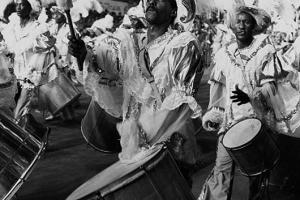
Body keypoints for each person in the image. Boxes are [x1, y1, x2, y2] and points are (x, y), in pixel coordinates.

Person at [69, 0, 203, 181]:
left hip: (169, 139)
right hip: (133, 135)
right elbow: (103, 65)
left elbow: (181, 101)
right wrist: (82, 53)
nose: (152, 2)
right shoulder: (129, 42)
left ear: (173, 11)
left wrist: (151, 141)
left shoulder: (183, 44)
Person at [198, 5, 300, 200]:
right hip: (229, 123)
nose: (242, 26)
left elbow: (272, 87)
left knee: (257, 176)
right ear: (232, 26)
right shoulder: (224, 54)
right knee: (221, 169)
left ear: (253, 26)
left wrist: (252, 97)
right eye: (239, 22)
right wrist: (215, 113)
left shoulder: (265, 50)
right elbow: (220, 90)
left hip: (257, 122)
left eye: (247, 22)